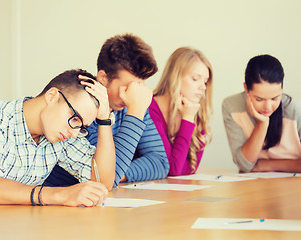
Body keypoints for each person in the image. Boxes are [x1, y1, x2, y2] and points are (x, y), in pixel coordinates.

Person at [0, 69, 116, 207]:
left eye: (82, 128)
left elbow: (101, 183)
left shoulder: (62, 134)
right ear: (52, 96)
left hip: (11, 225)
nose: (74, 133)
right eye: (75, 119)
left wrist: (104, 120)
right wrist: (59, 195)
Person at [45, 33, 169, 187]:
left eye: (139, 86)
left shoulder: (133, 105)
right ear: (103, 78)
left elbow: (161, 163)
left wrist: (120, 173)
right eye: (129, 86)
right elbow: (102, 177)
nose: (134, 94)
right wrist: (135, 112)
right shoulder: (82, 109)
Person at [222, 54, 301, 173]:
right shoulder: (232, 106)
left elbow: (254, 167)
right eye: (259, 99)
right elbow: (245, 165)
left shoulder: (293, 109)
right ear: (246, 88)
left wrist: (269, 165)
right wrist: (262, 124)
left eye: (275, 98)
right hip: (254, 184)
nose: (268, 107)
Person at [149, 47, 213, 176]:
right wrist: (188, 118)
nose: (203, 87)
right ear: (175, 76)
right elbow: (173, 169)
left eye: (205, 81)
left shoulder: (193, 109)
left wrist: (189, 116)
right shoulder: (150, 108)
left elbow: (190, 168)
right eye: (195, 79)